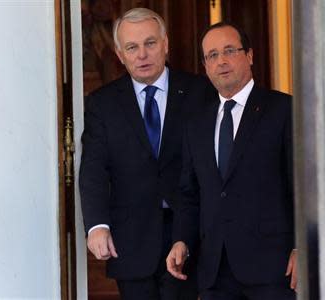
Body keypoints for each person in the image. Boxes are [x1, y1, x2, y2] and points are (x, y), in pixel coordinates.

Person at [79, 7, 205, 300]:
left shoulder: (199, 92)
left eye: (150, 43)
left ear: (165, 45)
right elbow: (94, 168)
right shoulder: (103, 103)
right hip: (131, 239)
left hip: (189, 233)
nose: (142, 55)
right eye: (132, 47)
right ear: (120, 55)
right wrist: (97, 225)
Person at [166, 22, 297, 300]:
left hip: (273, 269)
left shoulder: (284, 110)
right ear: (205, 66)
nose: (221, 61)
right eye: (212, 55)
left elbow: (304, 186)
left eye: (229, 51)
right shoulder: (196, 124)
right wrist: (182, 242)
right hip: (215, 272)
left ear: (249, 55)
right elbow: (190, 194)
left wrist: (302, 248)